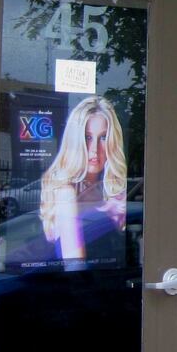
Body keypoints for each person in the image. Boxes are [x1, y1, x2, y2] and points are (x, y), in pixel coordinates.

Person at [39, 95, 129, 269]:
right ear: (75, 140)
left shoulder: (104, 191)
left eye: (103, 137)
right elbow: (76, 269)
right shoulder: (67, 193)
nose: (94, 149)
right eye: (88, 137)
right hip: (89, 292)